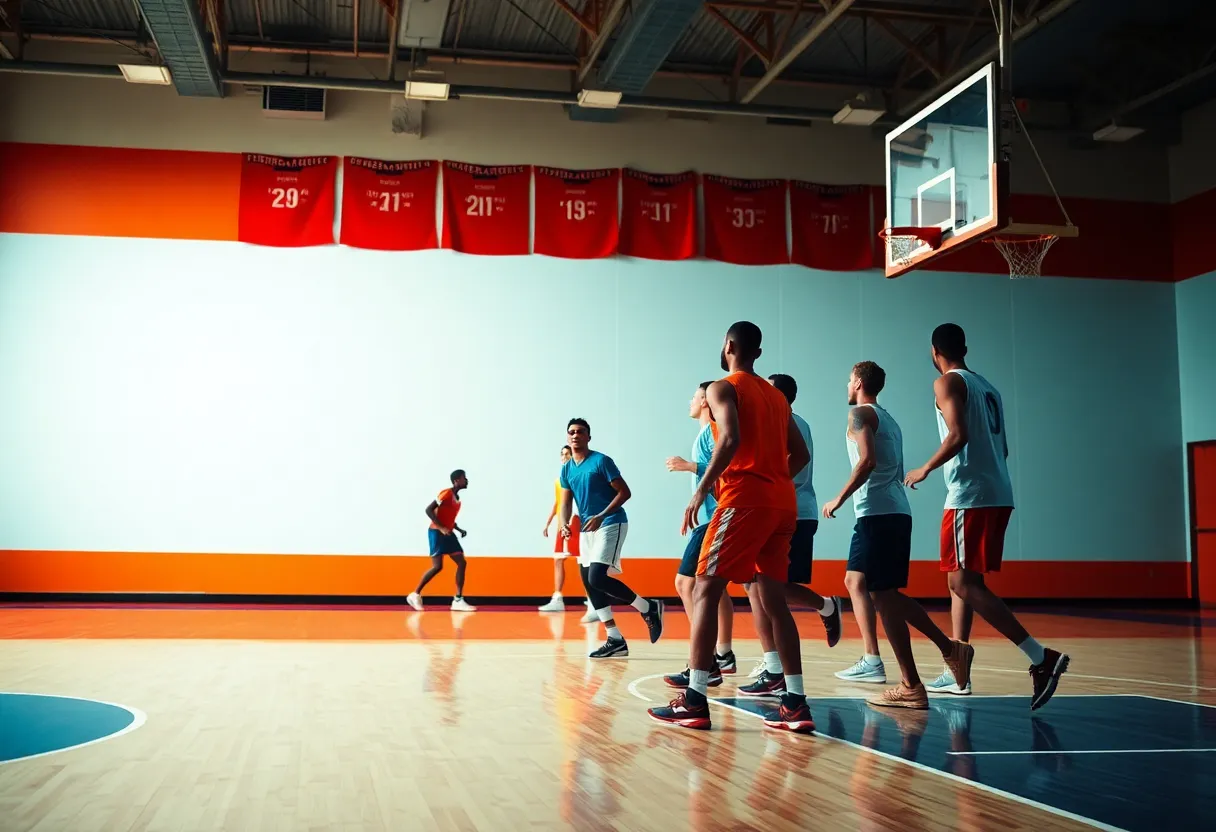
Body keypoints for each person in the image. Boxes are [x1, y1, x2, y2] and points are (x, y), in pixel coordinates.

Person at [648, 322, 815, 733]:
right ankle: (794, 703)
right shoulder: (776, 396)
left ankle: (695, 699)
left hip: (745, 500)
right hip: (782, 505)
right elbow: (802, 454)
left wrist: (700, 491)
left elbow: (731, 438)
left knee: (703, 588)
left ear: (729, 346)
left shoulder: (722, 388)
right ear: (756, 351)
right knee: (773, 600)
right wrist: (774, 477)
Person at [905, 324, 1069, 711]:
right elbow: (1003, 447)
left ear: (934, 351)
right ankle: (959, 669)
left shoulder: (946, 383)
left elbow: (958, 434)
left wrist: (925, 468)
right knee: (960, 581)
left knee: (962, 582)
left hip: (970, 495)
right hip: (997, 490)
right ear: (965, 347)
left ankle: (1040, 657)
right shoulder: (987, 387)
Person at [821, 361, 972, 709]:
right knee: (854, 580)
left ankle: (919, 678)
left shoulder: (859, 414)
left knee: (885, 597)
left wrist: (839, 498)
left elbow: (867, 461)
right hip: (882, 513)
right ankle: (874, 659)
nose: (846, 386)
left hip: (880, 515)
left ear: (858, 381)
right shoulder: (886, 417)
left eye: (848, 379)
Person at [738, 373, 842, 694]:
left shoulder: (784, 423)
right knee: (756, 586)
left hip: (789, 512)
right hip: (787, 511)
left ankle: (824, 608)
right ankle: (774, 667)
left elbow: (789, 464)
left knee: (770, 589)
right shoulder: (795, 422)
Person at [559, 418, 665, 658]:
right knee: (589, 582)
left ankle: (648, 608)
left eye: (580, 432)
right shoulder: (567, 468)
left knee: (597, 576)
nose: (575, 435)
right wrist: (564, 523)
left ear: (588, 437)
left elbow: (625, 492)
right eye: (571, 432)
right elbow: (565, 501)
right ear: (568, 437)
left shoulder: (601, 461)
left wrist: (601, 514)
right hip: (586, 529)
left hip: (611, 521)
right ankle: (614, 639)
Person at [662, 381, 737, 689]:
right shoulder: (705, 433)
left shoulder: (715, 430)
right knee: (714, 587)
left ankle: (705, 658)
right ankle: (722, 654)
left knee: (685, 583)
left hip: (715, 517)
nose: (689, 402)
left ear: (706, 401)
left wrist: (691, 466)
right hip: (708, 517)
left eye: (693, 397)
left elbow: (727, 465)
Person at [408, 469, 476, 612]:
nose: (467, 480)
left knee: (462, 562)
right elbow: (428, 510)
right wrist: (441, 528)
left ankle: (458, 600)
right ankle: (415, 594)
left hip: (448, 533)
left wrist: (458, 529)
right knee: (437, 567)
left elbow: (448, 518)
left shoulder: (457, 501)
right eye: (464, 478)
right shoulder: (446, 493)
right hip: (436, 532)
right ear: (456, 480)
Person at [540, 446, 584, 614]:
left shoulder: (577, 476)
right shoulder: (559, 480)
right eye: (563, 454)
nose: (565, 456)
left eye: (568, 454)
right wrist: (548, 522)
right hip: (561, 524)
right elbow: (559, 502)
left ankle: (593, 599)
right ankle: (557, 598)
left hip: (573, 522)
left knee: (583, 561)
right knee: (558, 559)